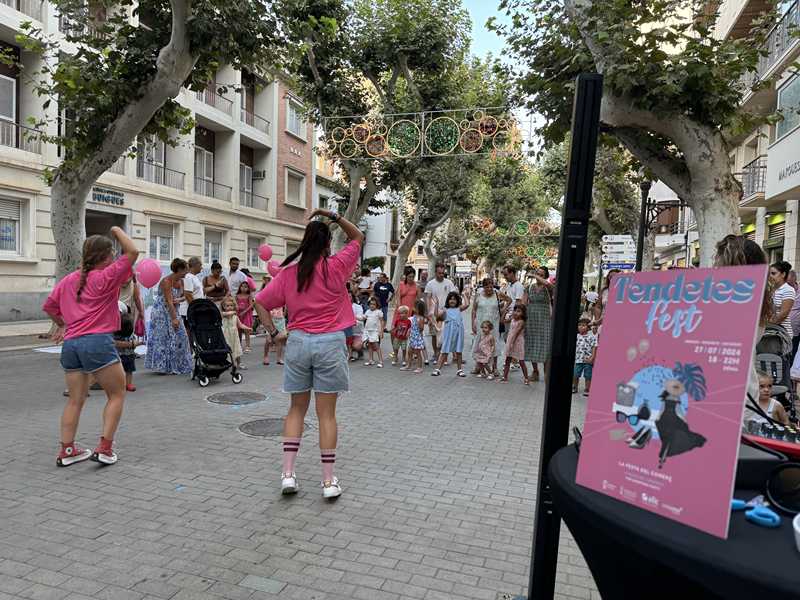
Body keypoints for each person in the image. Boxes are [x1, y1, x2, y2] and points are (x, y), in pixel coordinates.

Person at [254, 207, 364, 499]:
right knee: (326, 415)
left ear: (304, 242)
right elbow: (358, 236)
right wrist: (334, 215)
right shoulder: (337, 266)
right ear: (328, 244)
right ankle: (328, 482)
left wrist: (274, 334)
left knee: (296, 409)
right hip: (330, 343)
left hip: (299, 343)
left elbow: (260, 302)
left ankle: (288, 475)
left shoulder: (289, 273)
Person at [43, 227, 139, 466]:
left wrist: (63, 326)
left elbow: (49, 307)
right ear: (106, 257)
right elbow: (134, 251)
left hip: (71, 344)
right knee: (116, 394)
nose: (116, 258)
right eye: (112, 255)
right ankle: (105, 449)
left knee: (75, 400)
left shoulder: (68, 280)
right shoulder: (106, 276)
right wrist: (117, 229)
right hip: (97, 342)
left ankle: (67, 451)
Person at [713, 235, 772, 423]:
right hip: (740, 393)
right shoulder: (757, 301)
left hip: (732, 396)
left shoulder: (733, 304)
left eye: (719, 263)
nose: (715, 269)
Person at [145, 258, 193, 375]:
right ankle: (163, 366)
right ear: (179, 269)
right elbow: (168, 301)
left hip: (173, 309)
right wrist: (174, 319)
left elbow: (183, 297)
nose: (187, 272)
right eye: (185, 270)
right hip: (162, 312)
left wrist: (179, 299)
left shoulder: (181, 281)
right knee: (163, 338)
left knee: (181, 337)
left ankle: (180, 364)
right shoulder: (166, 281)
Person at [523, 266, 554, 382]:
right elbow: (523, 302)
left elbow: (548, 284)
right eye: (537, 273)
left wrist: (535, 275)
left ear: (545, 276)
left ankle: (547, 373)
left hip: (545, 318)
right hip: (531, 318)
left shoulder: (548, 287)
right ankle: (535, 371)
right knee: (532, 343)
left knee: (545, 344)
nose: (538, 276)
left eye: (541, 274)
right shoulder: (529, 287)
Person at [431, 290, 471, 378]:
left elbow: (467, 304)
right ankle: (437, 369)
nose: (452, 301)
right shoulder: (445, 310)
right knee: (444, 351)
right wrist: (437, 304)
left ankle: (459, 370)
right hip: (449, 333)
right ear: (447, 300)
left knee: (459, 351)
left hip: (458, 333)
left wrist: (464, 295)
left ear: (457, 301)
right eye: (450, 299)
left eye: (454, 299)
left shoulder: (459, 309)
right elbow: (436, 315)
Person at [471, 277, 505, 376]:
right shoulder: (478, 294)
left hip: (493, 323)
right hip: (481, 323)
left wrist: (502, 314)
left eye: (491, 287)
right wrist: (472, 322)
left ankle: (494, 367)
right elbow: (473, 310)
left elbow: (509, 300)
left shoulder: (497, 294)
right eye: (487, 287)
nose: (489, 289)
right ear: (483, 287)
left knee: (493, 344)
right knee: (479, 344)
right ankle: (478, 366)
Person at [424, 263, 457, 360]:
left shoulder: (449, 283)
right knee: (434, 334)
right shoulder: (430, 284)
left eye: (443, 273)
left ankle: (445, 354)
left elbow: (453, 296)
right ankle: (436, 354)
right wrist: (428, 313)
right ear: (435, 273)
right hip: (434, 313)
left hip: (447, 312)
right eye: (439, 273)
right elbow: (428, 298)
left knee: (447, 334)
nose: (441, 275)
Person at [221, 295, 251, 370]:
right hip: (226, 336)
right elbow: (224, 314)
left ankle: (239, 363)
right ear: (223, 307)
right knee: (226, 350)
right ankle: (226, 363)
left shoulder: (235, 317)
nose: (230, 307)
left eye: (231, 305)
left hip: (234, 337)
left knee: (237, 350)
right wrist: (233, 312)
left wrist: (247, 328)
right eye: (227, 306)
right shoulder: (222, 315)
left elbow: (240, 325)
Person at [180, 256, 204, 346]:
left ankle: (191, 351)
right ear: (195, 265)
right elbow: (188, 294)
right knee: (189, 332)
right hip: (189, 311)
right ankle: (189, 353)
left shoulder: (194, 277)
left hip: (194, 309)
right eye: (200, 265)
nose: (202, 267)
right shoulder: (188, 277)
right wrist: (196, 308)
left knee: (192, 332)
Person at [114, 307, 138, 392]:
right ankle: (120, 384)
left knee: (129, 370)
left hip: (130, 355)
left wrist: (134, 343)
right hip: (119, 356)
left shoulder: (131, 334)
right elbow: (115, 343)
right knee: (119, 372)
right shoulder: (116, 336)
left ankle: (128, 384)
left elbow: (134, 340)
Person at [769, 261, 795, 337]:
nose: (770, 276)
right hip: (769, 332)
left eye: (773, 273)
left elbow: (783, 315)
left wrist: (767, 324)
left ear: (783, 274)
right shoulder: (771, 289)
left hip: (781, 334)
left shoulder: (788, 289)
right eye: (769, 274)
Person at [573, 318, 597, 396]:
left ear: (588, 327)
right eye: (579, 325)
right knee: (576, 374)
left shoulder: (591, 337)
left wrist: (592, 357)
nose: (580, 327)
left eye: (583, 325)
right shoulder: (576, 336)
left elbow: (594, 347)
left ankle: (587, 388)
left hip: (588, 360)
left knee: (588, 375)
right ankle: (574, 387)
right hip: (578, 359)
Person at [406, 299, 430, 374]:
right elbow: (411, 326)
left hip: (417, 337)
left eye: (415, 307)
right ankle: (408, 365)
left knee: (418, 353)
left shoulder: (421, 318)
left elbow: (421, 328)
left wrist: (419, 327)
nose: (413, 308)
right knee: (410, 352)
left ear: (419, 309)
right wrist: (409, 331)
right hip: (412, 336)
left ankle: (420, 367)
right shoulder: (414, 316)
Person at [362, 296, 385, 367]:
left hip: (375, 331)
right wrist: (355, 317)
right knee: (370, 346)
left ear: (377, 305)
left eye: (374, 304)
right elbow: (363, 318)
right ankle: (371, 360)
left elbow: (382, 322)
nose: (372, 305)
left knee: (376, 346)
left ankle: (381, 361)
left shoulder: (379, 312)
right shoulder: (367, 311)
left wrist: (381, 332)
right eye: (371, 304)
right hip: (367, 331)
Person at [236, 280, 255, 353]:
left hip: (246, 314)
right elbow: (235, 304)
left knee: (247, 330)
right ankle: (239, 345)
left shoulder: (249, 296)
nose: (244, 288)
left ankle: (248, 346)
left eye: (246, 287)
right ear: (239, 287)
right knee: (239, 330)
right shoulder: (237, 296)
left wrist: (244, 311)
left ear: (248, 288)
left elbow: (251, 305)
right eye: (242, 286)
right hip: (238, 314)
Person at [346, 288, 365, 362]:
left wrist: (351, 319)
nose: (348, 298)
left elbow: (360, 320)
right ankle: (348, 355)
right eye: (346, 296)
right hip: (346, 331)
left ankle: (360, 351)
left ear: (352, 297)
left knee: (356, 346)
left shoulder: (358, 307)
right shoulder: (341, 307)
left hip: (356, 332)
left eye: (350, 296)